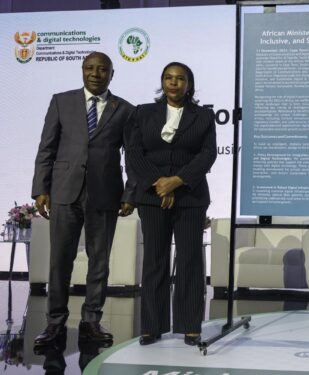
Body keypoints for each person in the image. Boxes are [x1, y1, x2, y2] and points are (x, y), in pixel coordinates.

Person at [31, 52, 135, 346]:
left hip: (105, 194)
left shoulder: (125, 109)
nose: (95, 73)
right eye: (90, 68)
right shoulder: (61, 101)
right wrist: (41, 188)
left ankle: (91, 321)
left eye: (102, 69)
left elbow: (133, 158)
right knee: (59, 261)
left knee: (99, 262)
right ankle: (54, 323)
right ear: (82, 71)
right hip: (65, 191)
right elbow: (46, 148)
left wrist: (129, 194)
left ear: (111, 74)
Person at [127, 62, 217, 346]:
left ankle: (190, 326)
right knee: (154, 260)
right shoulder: (143, 113)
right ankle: (151, 327)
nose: (174, 83)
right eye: (168, 77)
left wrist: (176, 181)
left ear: (189, 84)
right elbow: (133, 152)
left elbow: (207, 155)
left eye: (180, 78)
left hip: (190, 197)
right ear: (162, 81)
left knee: (190, 260)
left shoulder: (203, 116)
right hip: (152, 198)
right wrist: (159, 183)